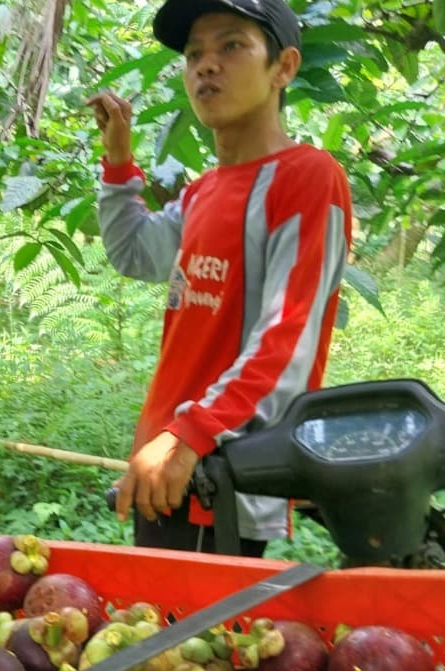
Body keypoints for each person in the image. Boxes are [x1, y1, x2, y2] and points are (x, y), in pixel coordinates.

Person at [88, 0, 353, 555]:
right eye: (193, 54)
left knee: (190, 637)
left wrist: (190, 437)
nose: (206, 66)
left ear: (283, 68)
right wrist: (118, 163)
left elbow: (287, 342)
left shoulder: (308, 178)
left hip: (221, 473)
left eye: (232, 46)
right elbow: (135, 252)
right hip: (164, 462)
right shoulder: (204, 190)